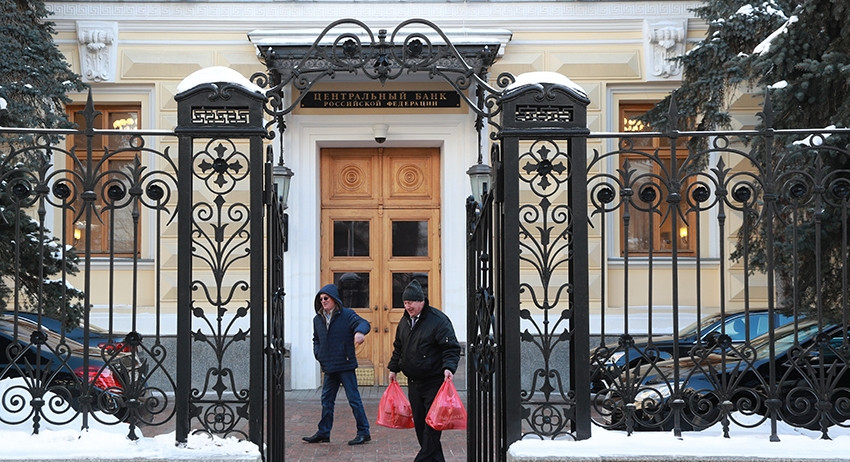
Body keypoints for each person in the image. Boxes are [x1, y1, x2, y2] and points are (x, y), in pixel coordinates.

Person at [387, 279, 462, 462]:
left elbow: (451, 348)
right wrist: (393, 368)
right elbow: (399, 347)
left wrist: (449, 367)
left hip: (434, 382)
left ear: (421, 301)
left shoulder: (438, 321)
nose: (408, 306)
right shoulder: (405, 321)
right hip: (414, 383)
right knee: (421, 427)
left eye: (410, 302)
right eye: (405, 303)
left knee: (432, 428)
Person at [302, 283, 372, 445]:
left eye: (326, 298)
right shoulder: (317, 319)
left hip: (345, 365)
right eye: (321, 299)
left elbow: (364, 323)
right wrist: (318, 354)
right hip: (329, 366)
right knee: (326, 401)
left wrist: (359, 332)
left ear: (334, 299)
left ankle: (364, 432)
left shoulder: (347, 314)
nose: (323, 301)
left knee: (354, 400)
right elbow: (316, 339)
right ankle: (323, 432)